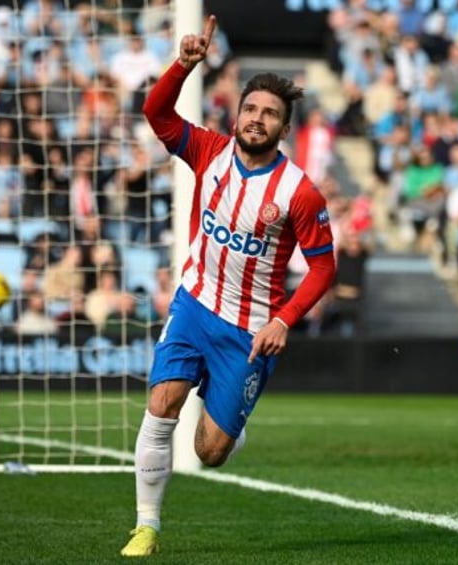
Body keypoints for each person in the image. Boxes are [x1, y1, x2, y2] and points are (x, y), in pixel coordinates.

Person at [121, 16, 336, 557]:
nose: (257, 119)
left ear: (284, 128)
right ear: (237, 114)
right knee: (162, 402)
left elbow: (323, 267)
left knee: (210, 450)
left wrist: (284, 319)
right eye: (251, 109)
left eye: (270, 114)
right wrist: (184, 64)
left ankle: (230, 424)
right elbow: (155, 113)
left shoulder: (299, 193)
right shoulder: (209, 151)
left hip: (249, 330)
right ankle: (146, 526)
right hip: (194, 303)